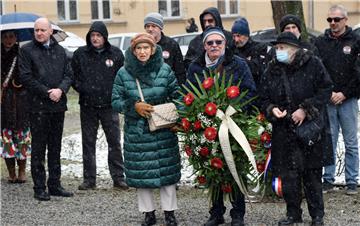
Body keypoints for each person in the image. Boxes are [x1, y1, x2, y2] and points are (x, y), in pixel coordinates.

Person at [259, 32, 334, 226]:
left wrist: (305, 109)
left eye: (282, 47)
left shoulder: (313, 64)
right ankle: (293, 214)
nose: (278, 51)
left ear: (294, 49)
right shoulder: (272, 69)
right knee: (288, 175)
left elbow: (325, 90)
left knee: (312, 175)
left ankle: (317, 215)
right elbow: (263, 97)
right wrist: (271, 109)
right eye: (276, 48)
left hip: (309, 129)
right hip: (283, 130)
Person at [187, 26, 256, 226]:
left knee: (234, 166)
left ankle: (238, 213)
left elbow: (250, 92)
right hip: (206, 124)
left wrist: (232, 110)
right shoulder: (195, 67)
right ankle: (216, 212)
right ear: (204, 46)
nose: (215, 46)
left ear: (225, 44)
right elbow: (189, 96)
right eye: (210, 43)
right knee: (211, 167)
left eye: (219, 42)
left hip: (233, 122)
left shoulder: (237, 64)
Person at [111, 33, 181, 226]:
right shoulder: (123, 73)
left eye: (146, 48)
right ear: (133, 51)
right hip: (138, 131)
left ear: (153, 50)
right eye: (138, 48)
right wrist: (133, 107)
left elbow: (178, 96)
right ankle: (148, 213)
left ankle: (169, 213)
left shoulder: (165, 70)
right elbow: (115, 101)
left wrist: (179, 120)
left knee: (166, 174)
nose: (142, 52)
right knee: (142, 174)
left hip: (163, 129)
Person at [18, 17, 73, 201]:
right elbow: (26, 77)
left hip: (57, 107)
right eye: (36, 30)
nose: (39, 33)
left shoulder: (61, 51)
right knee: (39, 148)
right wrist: (46, 92)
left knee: (56, 147)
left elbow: (68, 74)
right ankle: (39, 187)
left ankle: (55, 184)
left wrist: (61, 90)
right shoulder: (26, 50)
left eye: (42, 30)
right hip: (37, 107)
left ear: (51, 31)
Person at [71, 21, 128, 191]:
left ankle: (118, 177)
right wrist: (83, 89)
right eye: (92, 36)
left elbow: (122, 77)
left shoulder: (116, 54)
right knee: (88, 142)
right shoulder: (80, 54)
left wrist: (116, 95)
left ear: (105, 37)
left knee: (114, 142)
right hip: (88, 105)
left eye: (98, 36)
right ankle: (89, 179)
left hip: (109, 105)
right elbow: (72, 75)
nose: (95, 39)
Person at [314, 4, 360, 195]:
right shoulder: (320, 42)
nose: (333, 23)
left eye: (336, 19)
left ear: (345, 20)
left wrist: (345, 93)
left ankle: (351, 181)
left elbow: (358, 73)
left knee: (350, 142)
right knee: (329, 142)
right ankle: (328, 179)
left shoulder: (356, 41)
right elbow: (318, 71)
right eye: (329, 20)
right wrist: (330, 92)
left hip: (348, 100)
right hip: (329, 99)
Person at [1, 30, 31, 184]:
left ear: (16, 38)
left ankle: (22, 171)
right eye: (5, 37)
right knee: (6, 138)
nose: (8, 40)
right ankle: (11, 173)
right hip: (3, 102)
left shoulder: (22, 54)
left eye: (11, 36)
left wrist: (18, 81)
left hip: (20, 101)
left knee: (22, 137)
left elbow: (27, 76)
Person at [144, 12, 186, 85]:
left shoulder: (171, 45)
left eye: (154, 26)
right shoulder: (141, 45)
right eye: (147, 26)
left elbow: (180, 71)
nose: (150, 29)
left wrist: (179, 90)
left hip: (168, 88)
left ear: (160, 28)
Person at [231, 17, 270, 86]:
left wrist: (238, 56)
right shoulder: (232, 49)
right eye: (234, 36)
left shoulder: (258, 48)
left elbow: (255, 70)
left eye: (238, 36)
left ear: (246, 35)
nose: (236, 40)